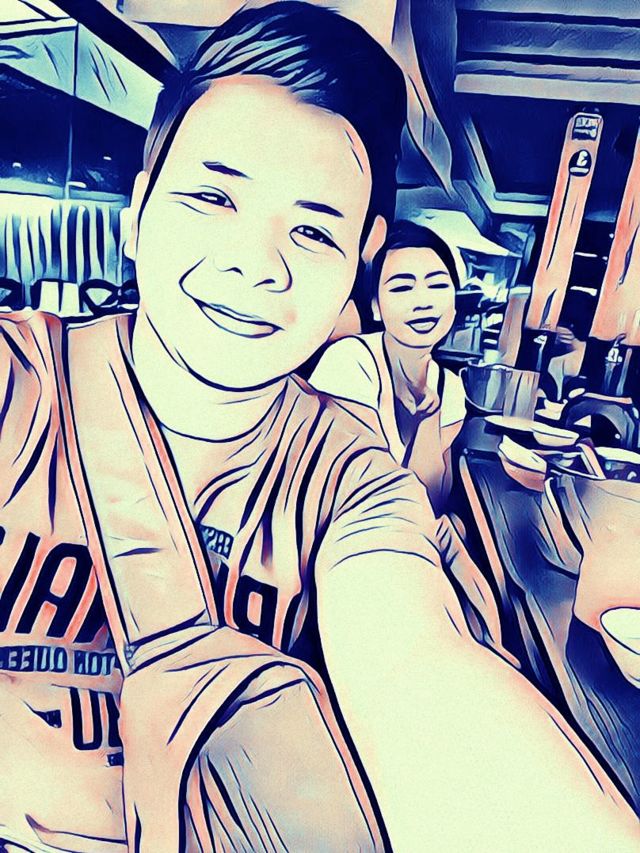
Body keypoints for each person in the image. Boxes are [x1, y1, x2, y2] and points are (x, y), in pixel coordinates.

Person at [0, 5, 638, 852]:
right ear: (137, 208)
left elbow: (415, 668)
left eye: (311, 228)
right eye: (213, 197)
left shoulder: (349, 477)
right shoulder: (20, 383)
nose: (257, 264)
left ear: (356, 261)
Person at [310, 221, 466, 514]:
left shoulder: (451, 388)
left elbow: (431, 501)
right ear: (375, 307)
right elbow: (363, 487)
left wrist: (428, 421)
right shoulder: (349, 361)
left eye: (438, 285)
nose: (423, 302)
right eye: (402, 287)